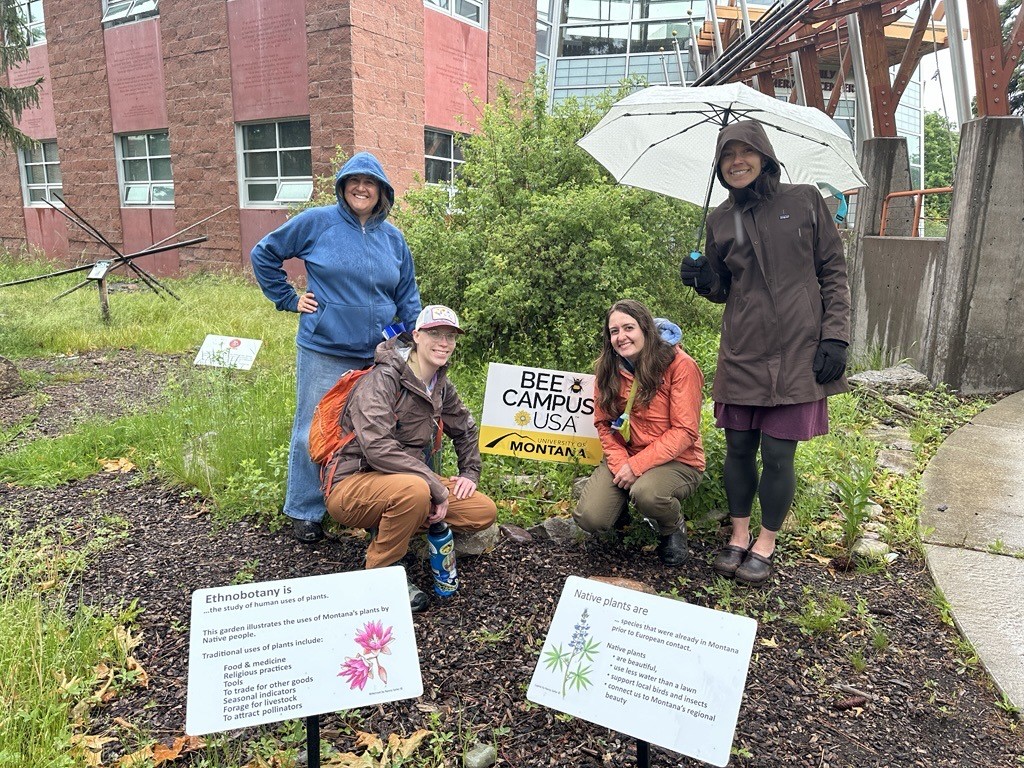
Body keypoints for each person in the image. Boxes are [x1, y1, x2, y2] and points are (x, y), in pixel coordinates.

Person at [680, 120, 851, 586]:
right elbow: (723, 287)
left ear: (764, 155)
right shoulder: (719, 218)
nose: (736, 161)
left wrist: (835, 336)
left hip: (799, 348)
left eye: (745, 152)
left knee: (778, 453)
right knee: (738, 448)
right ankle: (738, 535)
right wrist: (701, 279)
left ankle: (766, 540)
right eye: (726, 155)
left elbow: (833, 270)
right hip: (743, 348)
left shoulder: (805, 201)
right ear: (719, 166)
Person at [251, 152, 421, 544]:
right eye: (353, 181)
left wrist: (410, 340)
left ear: (382, 192)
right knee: (313, 427)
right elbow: (264, 253)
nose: (362, 188)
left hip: (378, 353)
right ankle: (305, 510)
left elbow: (406, 293)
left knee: (377, 428)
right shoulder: (317, 222)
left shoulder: (393, 239)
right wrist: (288, 299)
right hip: (324, 348)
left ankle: (367, 503)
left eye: (370, 183)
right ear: (343, 187)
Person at [325, 304, 497, 612]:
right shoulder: (382, 379)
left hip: (405, 483)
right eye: (435, 333)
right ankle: (380, 576)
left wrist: (469, 473)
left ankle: (395, 526)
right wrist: (435, 486)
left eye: (450, 336)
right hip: (351, 485)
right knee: (416, 491)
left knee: (481, 511)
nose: (444, 342)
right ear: (416, 336)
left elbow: (466, 429)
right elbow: (376, 447)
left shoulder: (440, 386)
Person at [573, 299, 706, 566]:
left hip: (678, 460)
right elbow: (603, 423)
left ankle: (672, 527)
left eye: (628, 328)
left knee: (648, 494)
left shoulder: (680, 365)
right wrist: (622, 463)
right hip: (627, 454)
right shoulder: (608, 369)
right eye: (614, 331)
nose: (621, 337)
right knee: (590, 517)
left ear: (645, 328)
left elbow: (684, 431)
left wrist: (636, 466)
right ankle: (620, 509)